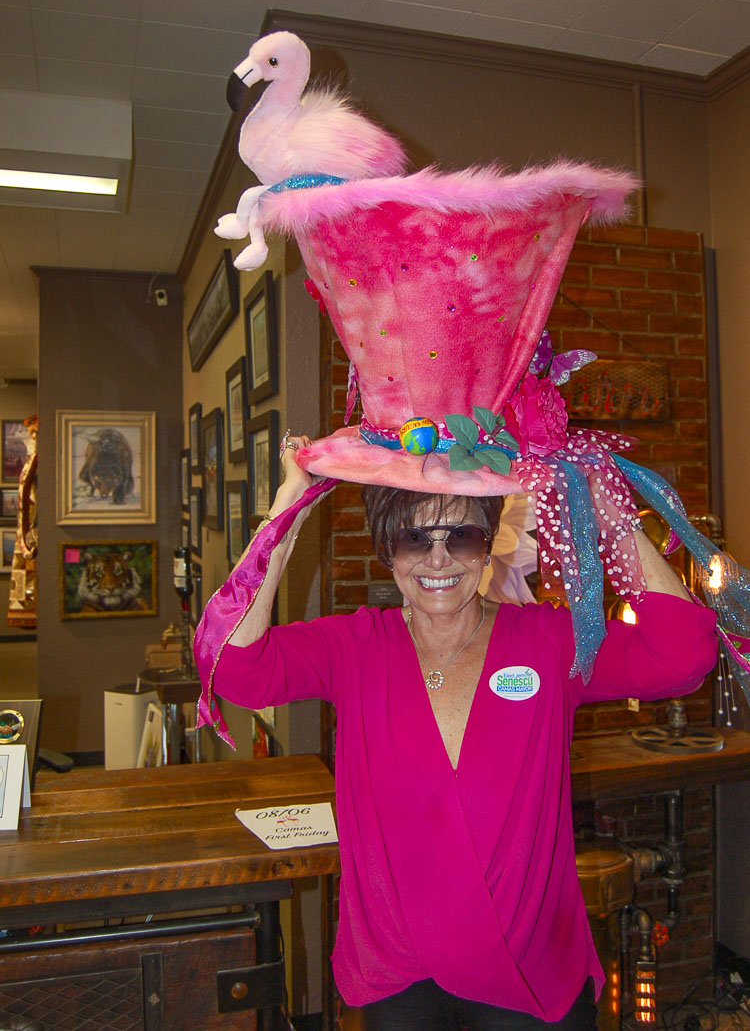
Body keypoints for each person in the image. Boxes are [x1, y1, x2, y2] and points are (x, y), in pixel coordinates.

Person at [210, 437, 718, 1031]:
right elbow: (234, 667)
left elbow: (683, 655)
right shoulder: (353, 648)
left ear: (488, 543)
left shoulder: (548, 642)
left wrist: (602, 508)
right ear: (386, 549)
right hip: (399, 973)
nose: (439, 560)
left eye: (463, 536)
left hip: (528, 968)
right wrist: (290, 506)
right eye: (414, 539)